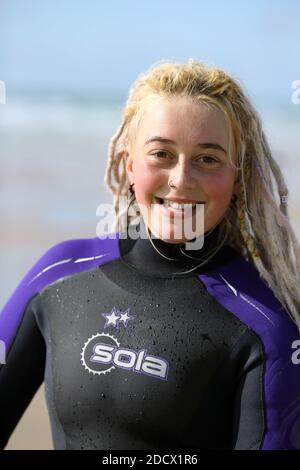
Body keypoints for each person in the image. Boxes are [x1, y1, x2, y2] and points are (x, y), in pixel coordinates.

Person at [1, 59, 300, 451]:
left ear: (236, 177)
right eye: (162, 153)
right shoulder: (59, 274)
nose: (181, 179)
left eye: (207, 159)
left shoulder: (265, 327)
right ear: (130, 165)